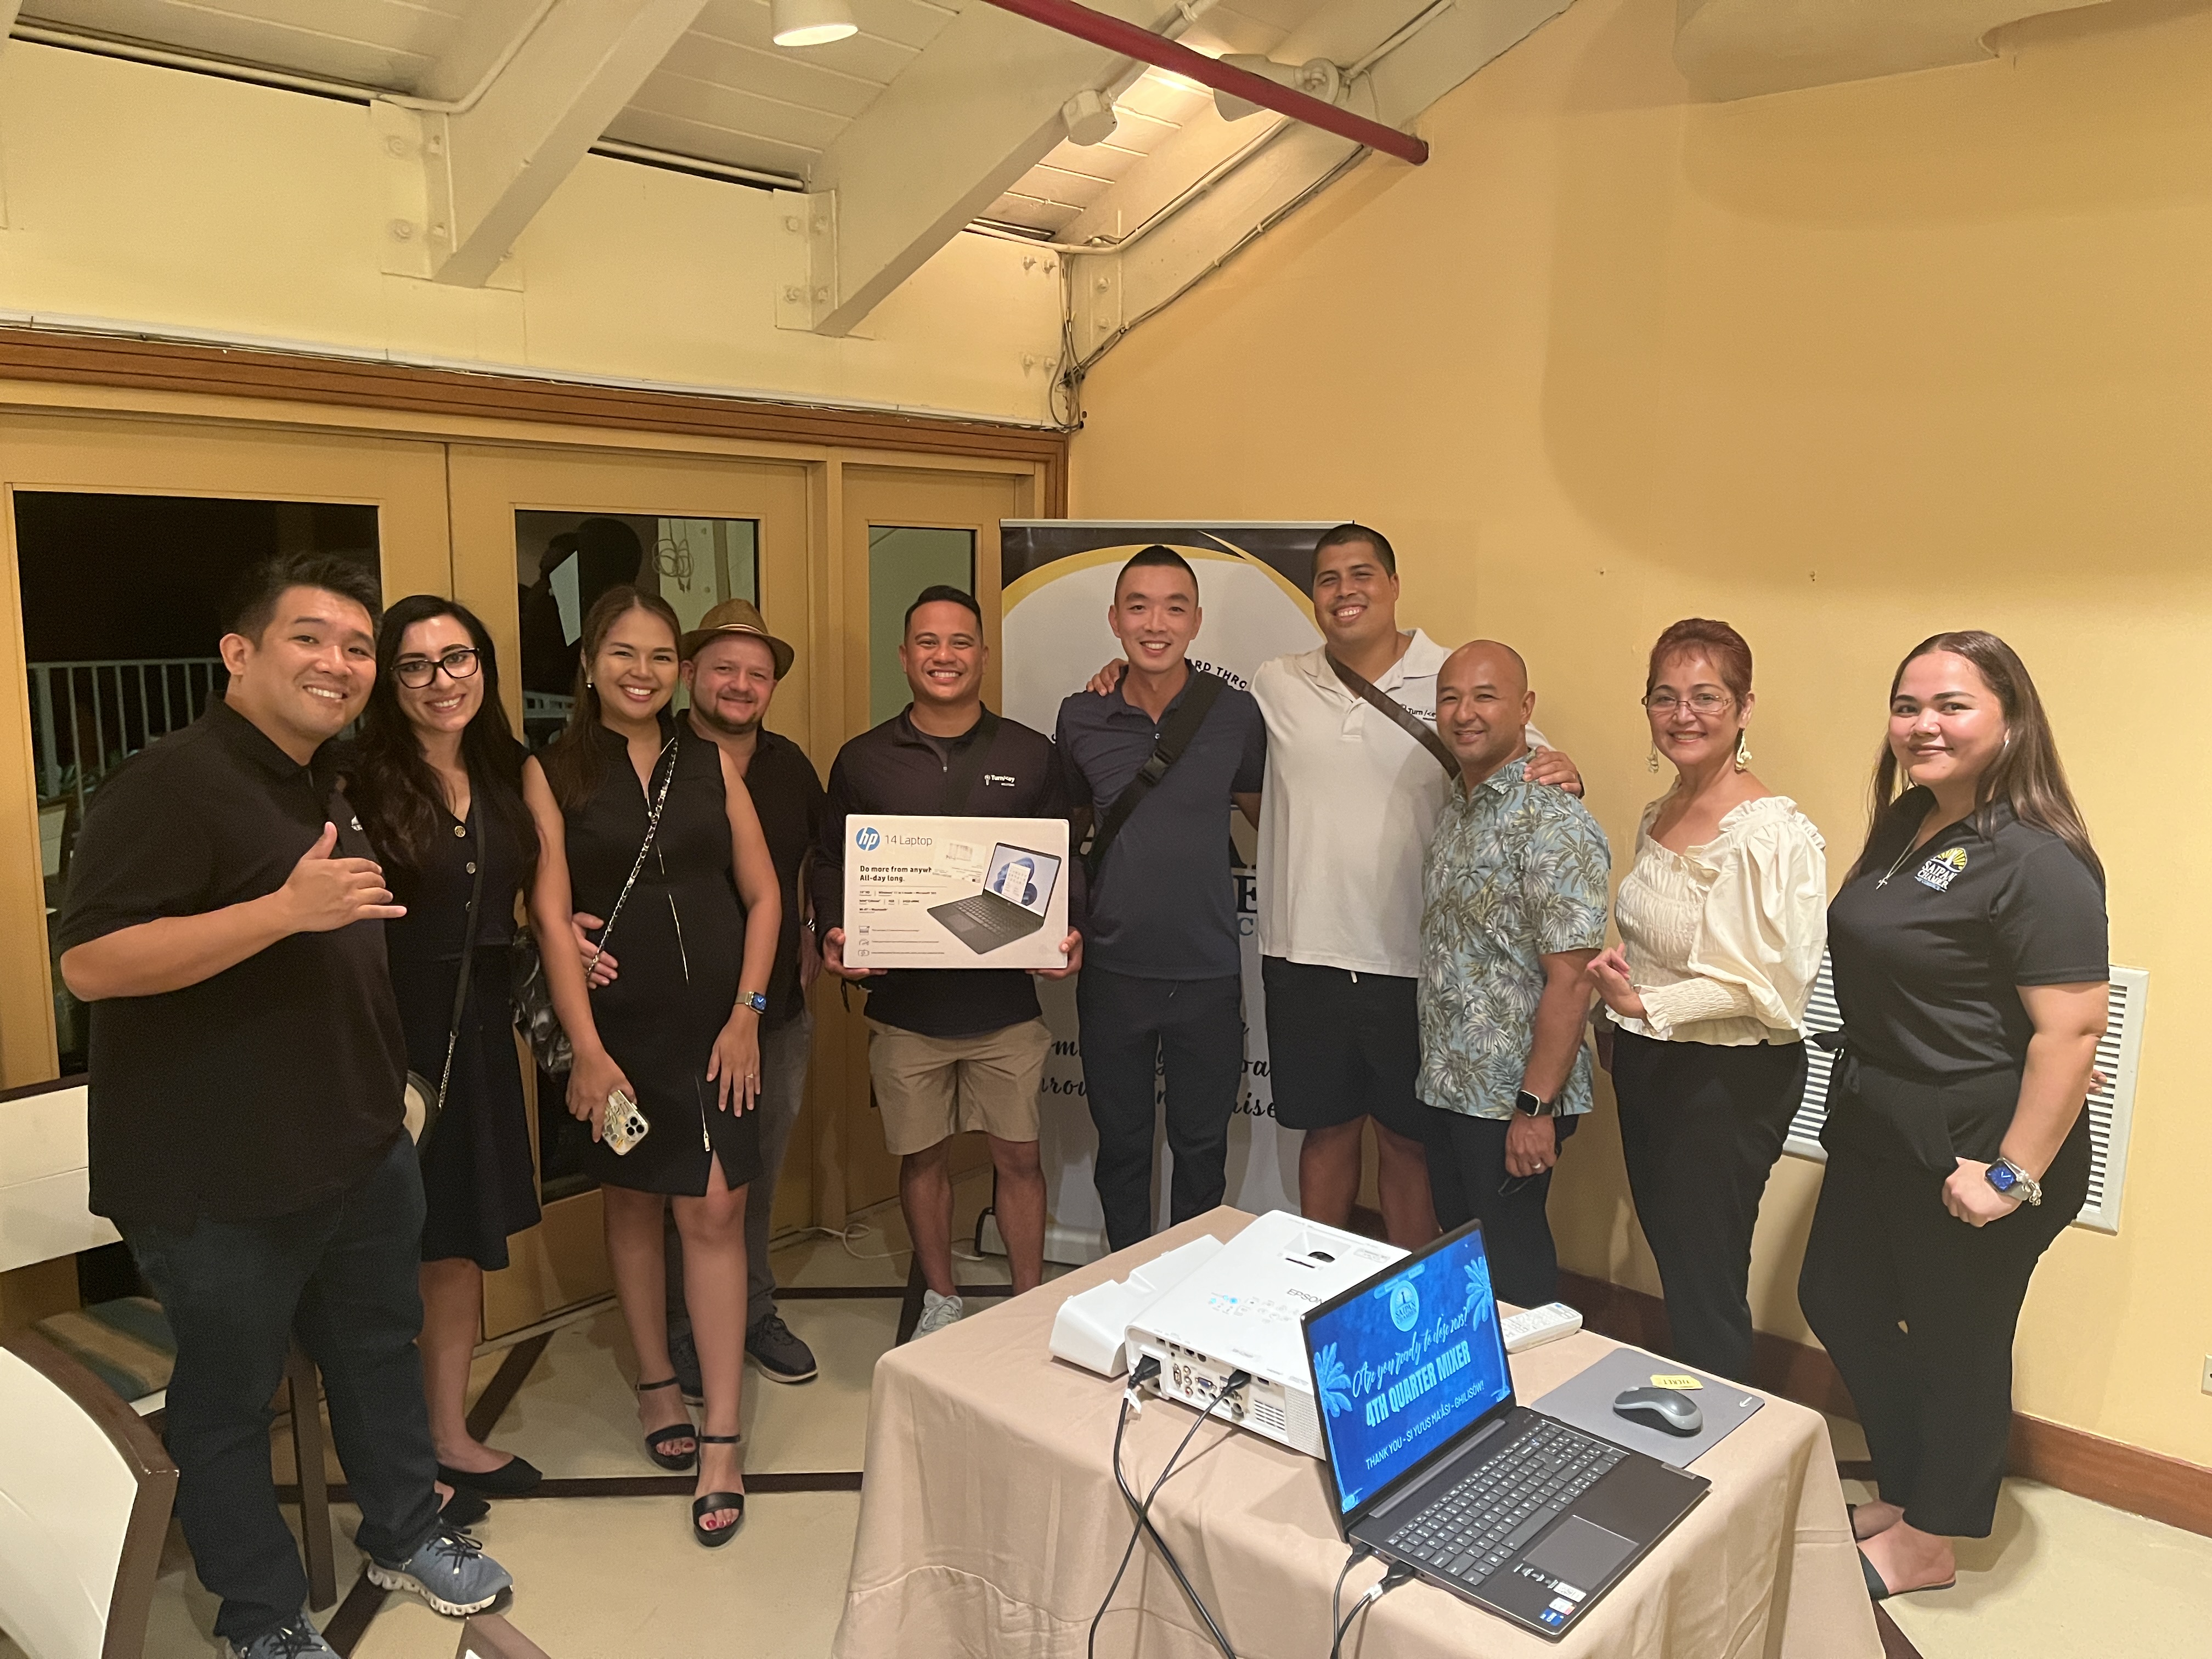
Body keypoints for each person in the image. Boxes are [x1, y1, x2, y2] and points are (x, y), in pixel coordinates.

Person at [56, 554, 512, 1659]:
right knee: (229, 1400)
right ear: (239, 652)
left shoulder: (319, 778)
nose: (340, 663)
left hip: (355, 1148)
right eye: (311, 637)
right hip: (218, 1176)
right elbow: (92, 963)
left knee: (377, 1349)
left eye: (357, 647)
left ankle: (404, 1530)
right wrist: (280, 910)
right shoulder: (168, 782)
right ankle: (261, 1615)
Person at [1797, 631, 2107, 1601]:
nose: (1921, 724)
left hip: (1982, 1140)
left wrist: (2011, 1173)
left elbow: (2072, 1028)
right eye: (1907, 705)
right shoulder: (1909, 821)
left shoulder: (2038, 858)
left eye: (1951, 704)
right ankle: (1907, 1487)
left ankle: (1932, 1537)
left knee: (1956, 1337)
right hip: (1881, 1118)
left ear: (2009, 720)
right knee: (1835, 1295)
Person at [522, 586, 782, 1547]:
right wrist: (587, 1050)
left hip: (719, 1028)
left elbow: (764, 896)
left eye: (661, 656)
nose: (643, 672)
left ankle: (724, 1436)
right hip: (620, 1030)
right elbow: (549, 915)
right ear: (590, 663)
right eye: (623, 653)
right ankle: (656, 1381)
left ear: (681, 669)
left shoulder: (709, 761)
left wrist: (749, 1014)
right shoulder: (552, 772)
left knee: (714, 1210)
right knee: (632, 1203)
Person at [814, 585, 1081, 1338]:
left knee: (1019, 1157)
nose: (945, 655)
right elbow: (830, 862)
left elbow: (1065, 857)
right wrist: (834, 928)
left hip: (1006, 1007)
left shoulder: (1031, 754)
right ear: (905, 657)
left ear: (983, 657)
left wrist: (1070, 930)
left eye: (960, 642)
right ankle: (942, 1297)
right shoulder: (863, 759)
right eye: (928, 642)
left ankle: (1027, 1302)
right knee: (922, 1158)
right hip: (907, 1009)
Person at [575, 598, 826, 1389]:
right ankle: (681, 1331)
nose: (741, 685)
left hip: (767, 1015)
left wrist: (814, 928)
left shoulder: (790, 767)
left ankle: (752, 1312)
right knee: (664, 1186)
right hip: (658, 1023)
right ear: (690, 674)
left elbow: (806, 867)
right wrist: (559, 929)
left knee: (745, 1184)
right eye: (724, 668)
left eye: (758, 674)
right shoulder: (645, 760)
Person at [1584, 619, 1826, 1384]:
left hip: (1729, 1079)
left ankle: (1724, 1427)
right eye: (1665, 697)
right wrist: (1625, 1003)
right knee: (1676, 1252)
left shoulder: (1769, 834)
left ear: (1744, 708)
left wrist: (1645, 1005)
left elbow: (1771, 988)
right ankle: (1692, 1403)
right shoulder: (1660, 810)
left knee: (1706, 1271)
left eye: (1706, 697)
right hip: (1651, 1062)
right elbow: (1666, 944)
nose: (1682, 715)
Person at [349, 596, 546, 1498]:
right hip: (384, 1039)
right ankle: (392, 1460)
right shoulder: (357, 782)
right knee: (382, 1252)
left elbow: (531, 899)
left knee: (459, 1241)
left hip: (478, 1038)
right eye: (416, 665)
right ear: (390, 682)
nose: (441, 681)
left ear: (484, 666)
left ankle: (448, 1433)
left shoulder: (507, 771)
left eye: (457, 658)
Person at [1054, 546, 1267, 1251]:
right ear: (1115, 619)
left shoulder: (1234, 713)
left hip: (1206, 970)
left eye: (1174, 608)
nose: (1156, 624)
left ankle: (1188, 1285)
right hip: (1114, 971)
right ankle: (1124, 1278)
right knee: (1122, 1148)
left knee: (1201, 1150)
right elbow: (1064, 837)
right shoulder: (1080, 716)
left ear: (1196, 621)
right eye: (1139, 607)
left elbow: (1272, 818)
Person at [1415, 641, 1609, 1307]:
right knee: (1465, 1257)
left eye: (1485, 696)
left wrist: (1534, 1109)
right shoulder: (1460, 808)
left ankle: (1533, 1374)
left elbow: (1574, 980)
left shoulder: (1554, 820)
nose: (1464, 713)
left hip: (1512, 1097)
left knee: (1512, 1264)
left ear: (1525, 708)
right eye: (1449, 698)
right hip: (1451, 1085)